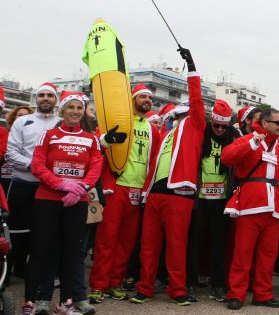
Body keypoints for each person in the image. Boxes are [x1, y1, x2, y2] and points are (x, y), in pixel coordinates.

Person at [130, 47, 205, 306]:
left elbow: (196, 101)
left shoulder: (194, 126)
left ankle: (178, 290)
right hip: (154, 195)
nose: (177, 115)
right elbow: (154, 164)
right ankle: (144, 288)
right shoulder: (165, 132)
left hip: (179, 195)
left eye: (181, 112)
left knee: (175, 246)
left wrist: (192, 68)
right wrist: (144, 193)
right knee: (148, 246)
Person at [21, 91, 104, 315]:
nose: (75, 112)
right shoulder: (48, 135)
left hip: (77, 202)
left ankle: (66, 302)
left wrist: (81, 189)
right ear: (62, 110)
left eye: (79, 108)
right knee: (40, 250)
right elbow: (38, 166)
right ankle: (32, 301)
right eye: (71, 108)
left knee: (71, 252)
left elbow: (96, 168)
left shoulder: (91, 139)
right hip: (47, 200)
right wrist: (62, 185)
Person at [88, 84, 161, 304]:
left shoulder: (153, 129)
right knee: (106, 240)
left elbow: (155, 161)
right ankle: (98, 285)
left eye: (149, 97)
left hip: (138, 191)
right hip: (116, 186)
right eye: (142, 96)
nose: (147, 100)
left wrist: (147, 190)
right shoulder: (117, 121)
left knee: (126, 243)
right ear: (132, 99)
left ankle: (114, 283)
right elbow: (96, 146)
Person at [221, 107, 279, 310]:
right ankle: (236, 294)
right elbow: (227, 157)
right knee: (243, 253)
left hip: (273, 207)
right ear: (265, 123)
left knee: (268, 255)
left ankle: (263, 293)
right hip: (250, 205)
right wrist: (252, 144)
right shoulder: (249, 140)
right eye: (277, 123)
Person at [186, 99, 239, 303]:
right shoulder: (201, 134)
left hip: (221, 200)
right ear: (211, 122)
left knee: (219, 244)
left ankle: (218, 284)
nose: (219, 130)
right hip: (200, 199)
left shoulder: (234, 137)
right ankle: (189, 282)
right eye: (215, 125)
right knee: (194, 242)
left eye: (223, 127)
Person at [5, 83, 60, 278]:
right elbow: (11, 153)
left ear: (56, 100)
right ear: (36, 98)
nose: (46, 98)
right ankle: (12, 269)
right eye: (42, 95)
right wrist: (35, 167)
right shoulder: (23, 121)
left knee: (46, 232)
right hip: (22, 183)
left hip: (49, 188)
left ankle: (41, 272)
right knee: (16, 229)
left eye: (50, 96)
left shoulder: (62, 123)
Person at [1, 105, 34, 191]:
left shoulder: (34, 138)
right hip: (3, 176)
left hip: (22, 178)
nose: (23, 117)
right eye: (20, 115)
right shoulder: (4, 133)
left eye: (26, 115)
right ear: (14, 117)